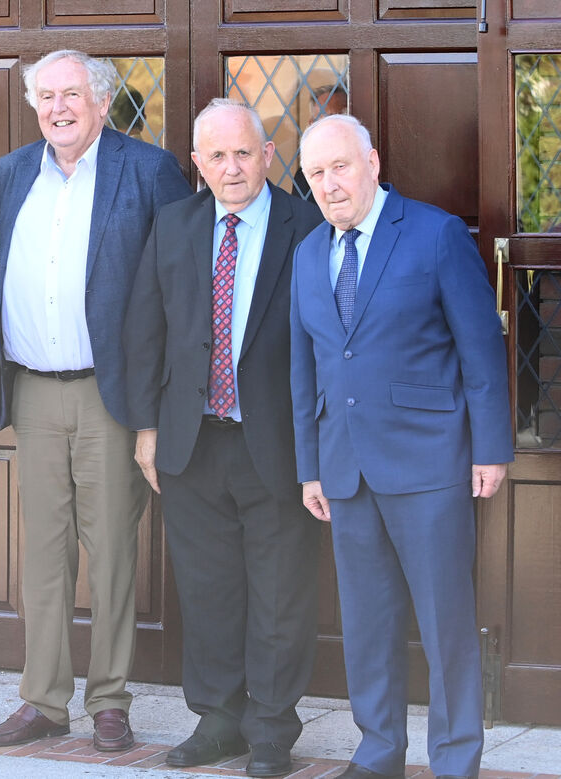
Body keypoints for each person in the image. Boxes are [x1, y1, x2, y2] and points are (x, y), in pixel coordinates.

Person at [291, 114, 512, 779]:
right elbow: (305, 368)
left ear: (372, 163)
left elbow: (481, 350)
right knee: (366, 622)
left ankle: (455, 761)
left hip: (430, 462)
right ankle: (378, 752)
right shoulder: (309, 252)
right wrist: (309, 467)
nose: (329, 184)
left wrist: (491, 448)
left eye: (339, 167)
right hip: (345, 468)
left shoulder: (434, 234)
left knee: (446, 624)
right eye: (315, 174)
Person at [0, 49, 190, 753]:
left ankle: (109, 701)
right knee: (42, 556)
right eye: (46, 96)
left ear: (102, 102)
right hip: (34, 388)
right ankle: (43, 699)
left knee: (112, 556)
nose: (58, 107)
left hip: (111, 393)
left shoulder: (149, 170)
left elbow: (175, 287)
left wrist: (154, 410)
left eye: (72, 93)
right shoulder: (11, 172)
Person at [123, 99, 323, 777]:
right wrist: (147, 428)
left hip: (279, 442)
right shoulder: (175, 223)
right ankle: (218, 720)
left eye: (243, 153)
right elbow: (146, 329)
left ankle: (271, 728)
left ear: (268, 155)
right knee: (208, 591)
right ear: (197, 164)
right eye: (217, 156)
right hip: (191, 440)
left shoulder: (306, 226)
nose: (231, 168)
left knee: (279, 592)